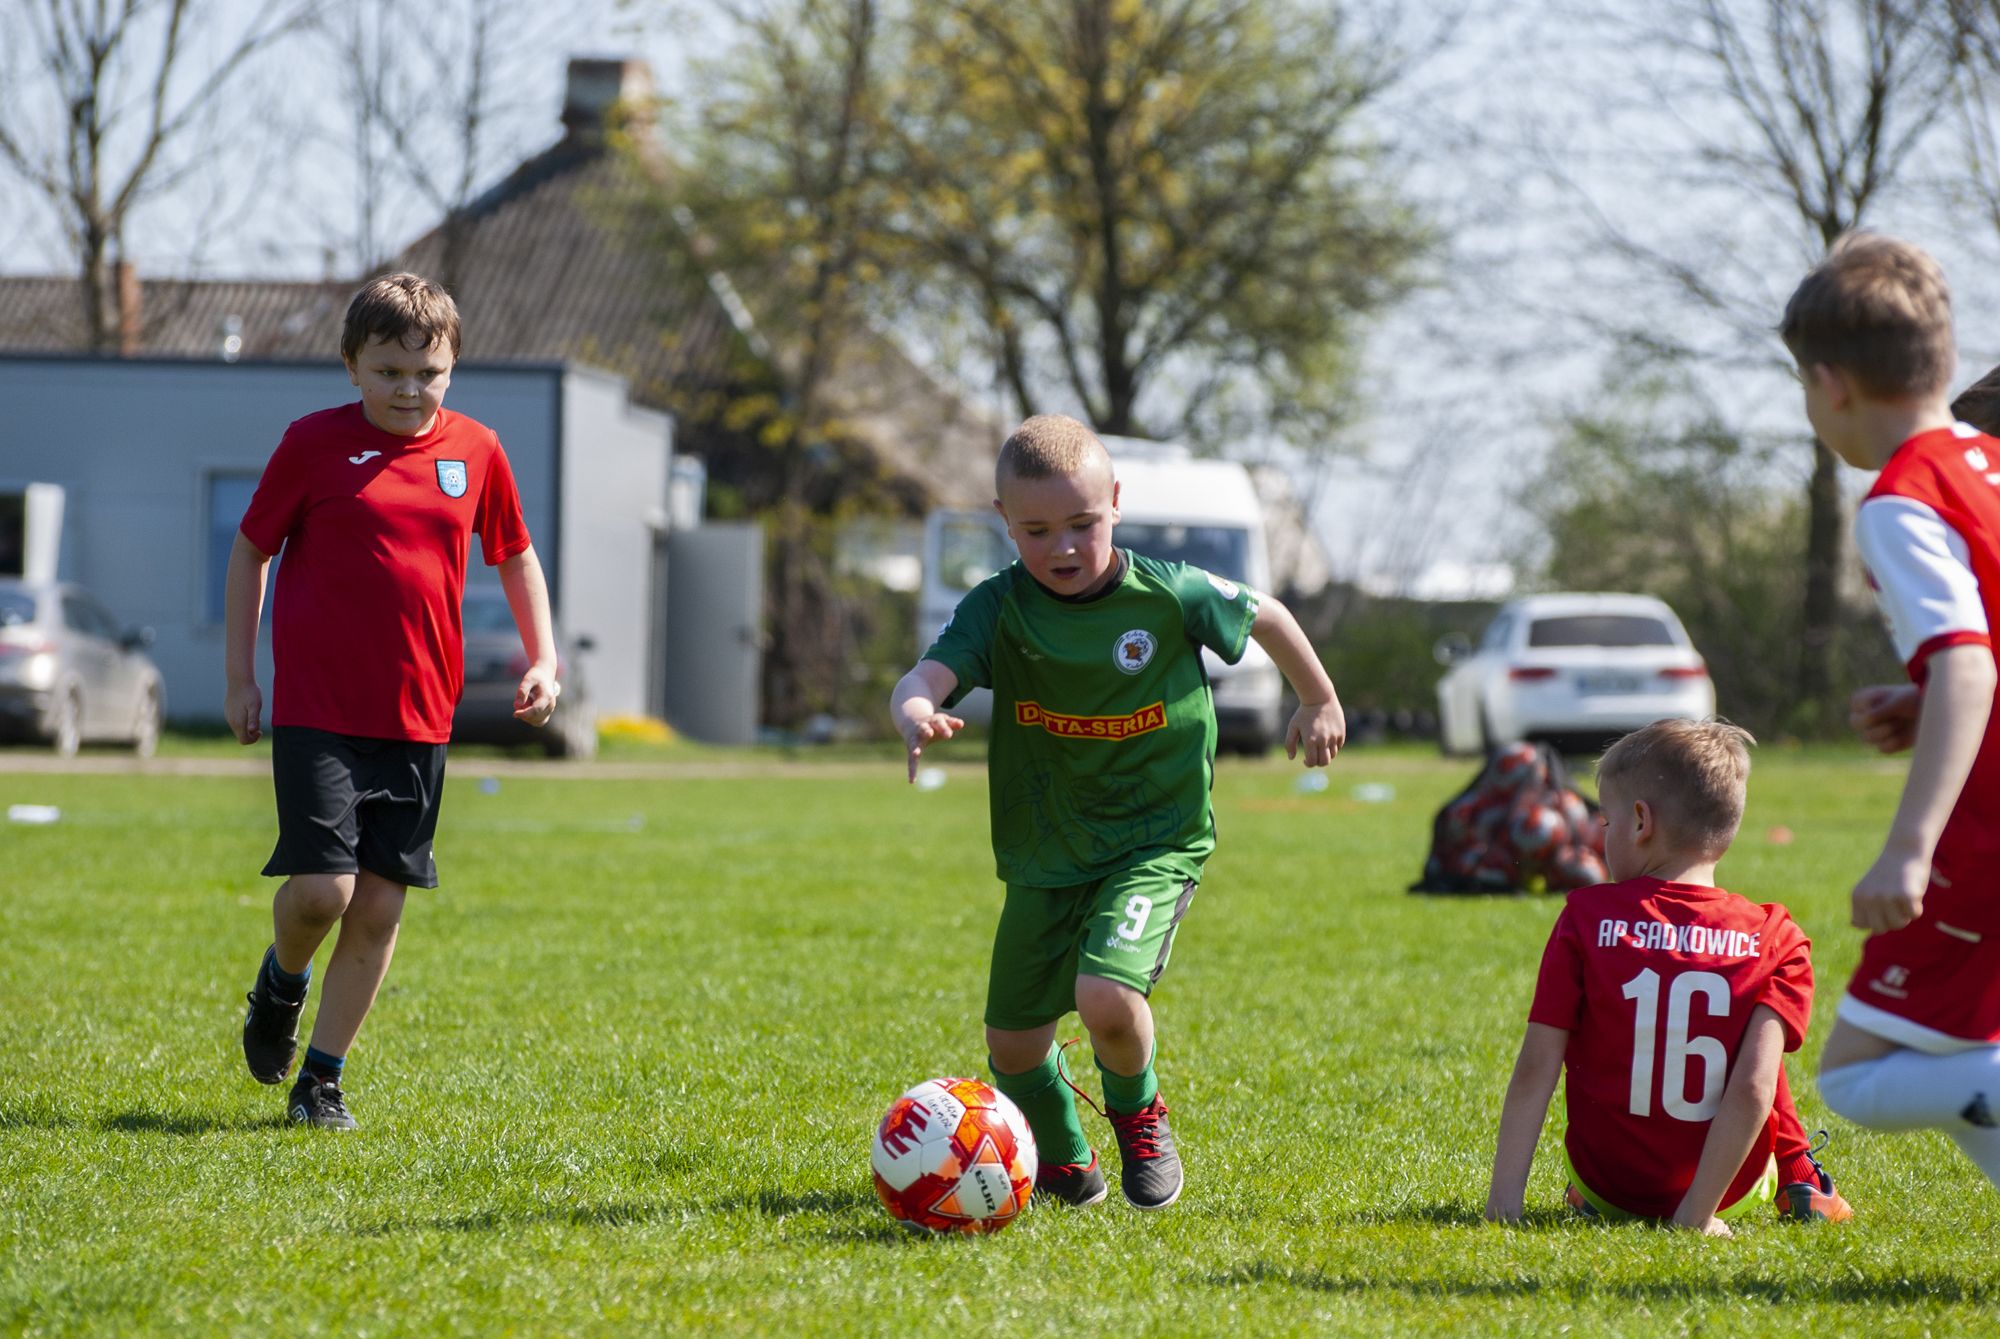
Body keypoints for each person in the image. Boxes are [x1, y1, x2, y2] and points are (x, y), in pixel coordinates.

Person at [889, 414, 1345, 1210]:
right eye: (1036, 530)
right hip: (1044, 851)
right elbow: (927, 671)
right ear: (1004, 520)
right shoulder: (999, 610)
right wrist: (916, 708)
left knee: (1105, 995)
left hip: (1153, 841)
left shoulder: (1170, 594)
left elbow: (1266, 613)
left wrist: (1318, 697)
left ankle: (1140, 1118)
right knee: (1013, 1044)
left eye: (1082, 524)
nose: (1062, 546)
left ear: (1116, 506)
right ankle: (1066, 1161)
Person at [224, 273, 560, 1130]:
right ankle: (281, 982)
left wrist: (544, 658)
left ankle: (321, 1082)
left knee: (378, 905)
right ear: (351, 366)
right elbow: (251, 552)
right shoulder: (311, 445)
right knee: (323, 894)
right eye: (388, 373)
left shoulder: (477, 450)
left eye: (428, 373)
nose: (409, 391)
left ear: (451, 367)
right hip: (317, 709)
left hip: (418, 714)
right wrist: (240, 676)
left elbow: (515, 555)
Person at [1780, 234, 2000, 1186]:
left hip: (1983, 836)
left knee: (1857, 1075)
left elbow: (1968, 663)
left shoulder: (1901, 502)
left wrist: (1909, 847)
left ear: (1830, 384)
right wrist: (1924, 699)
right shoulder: (1991, 460)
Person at [1485, 719, 1851, 1235]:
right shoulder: (1777, 934)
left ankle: (1584, 1193)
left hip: (1605, 1188)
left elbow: (1536, 1065)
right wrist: (1696, 1218)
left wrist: (1504, 1206)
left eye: (1606, 823)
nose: (1601, 836)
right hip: (1726, 1195)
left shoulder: (1586, 917)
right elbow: (1751, 1091)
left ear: (1640, 822)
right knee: (1752, 1025)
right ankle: (1802, 1178)